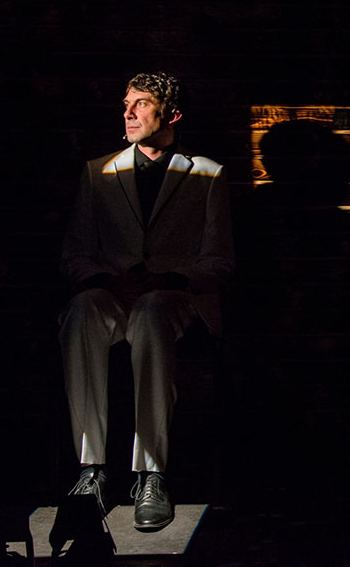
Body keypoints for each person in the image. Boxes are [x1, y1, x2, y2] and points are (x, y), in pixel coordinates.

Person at [57, 72, 235, 531]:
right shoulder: (98, 172)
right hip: (113, 295)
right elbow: (75, 255)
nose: (128, 113)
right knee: (80, 312)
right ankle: (90, 470)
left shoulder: (207, 174)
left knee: (153, 313)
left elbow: (219, 261)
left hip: (174, 299)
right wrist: (107, 281)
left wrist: (168, 279)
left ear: (171, 114)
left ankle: (150, 475)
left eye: (141, 103)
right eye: (126, 104)